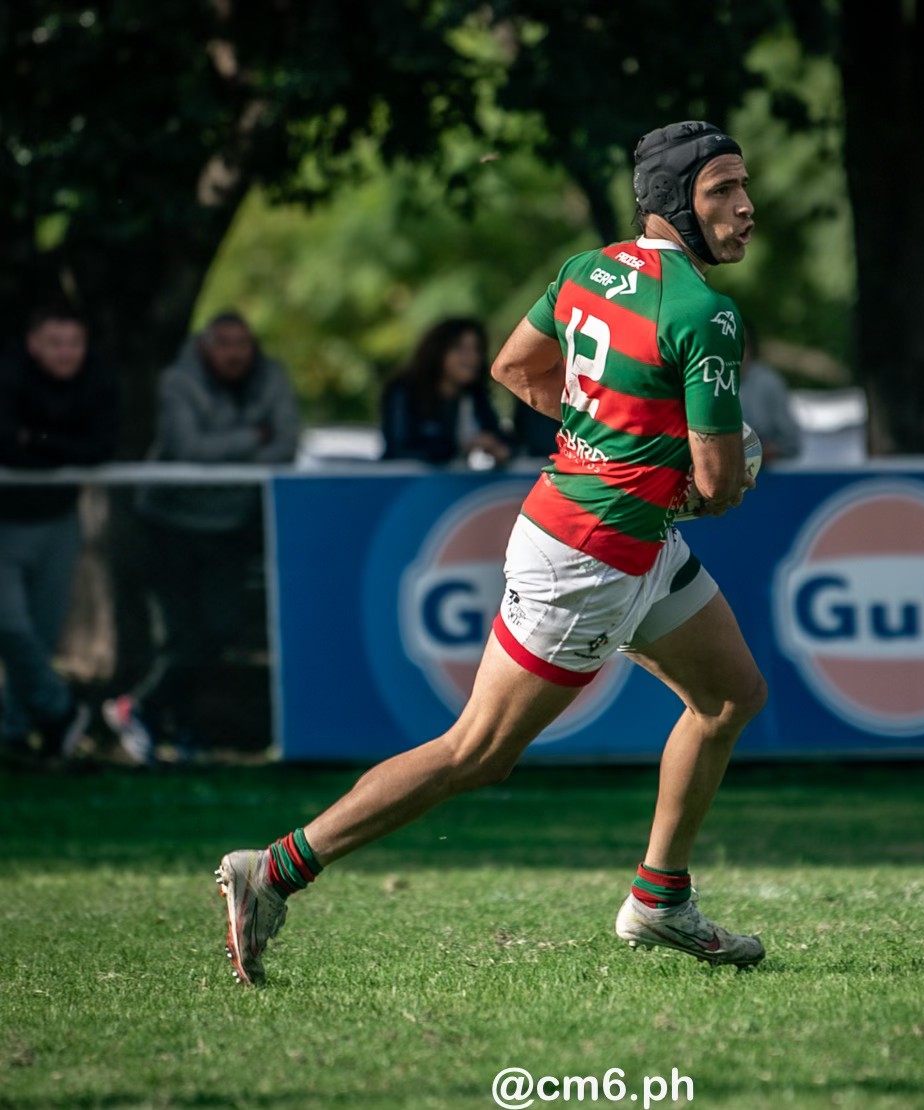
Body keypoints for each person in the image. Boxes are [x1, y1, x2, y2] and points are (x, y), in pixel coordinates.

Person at [215, 120, 767, 987]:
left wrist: (610, 443)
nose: (746, 208)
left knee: (731, 695)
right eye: (723, 191)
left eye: (743, 188)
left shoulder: (586, 271)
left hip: (626, 539)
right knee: (476, 753)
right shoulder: (706, 313)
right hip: (589, 555)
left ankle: (659, 899)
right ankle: (273, 870)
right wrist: (721, 469)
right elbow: (718, 482)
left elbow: (516, 368)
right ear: (673, 205)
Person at [103, 312, 299, 763]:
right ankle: (160, 719)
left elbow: (285, 445)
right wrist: (254, 436)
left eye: (242, 343)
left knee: (221, 629)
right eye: (224, 343)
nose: (234, 353)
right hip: (169, 525)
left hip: (230, 527)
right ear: (206, 347)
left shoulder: (271, 378)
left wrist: (225, 448)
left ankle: (149, 711)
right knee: (181, 635)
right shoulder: (179, 380)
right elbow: (189, 449)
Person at [0, 305, 118, 758]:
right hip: (5, 523)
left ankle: (16, 736)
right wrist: (60, 448)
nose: (66, 353)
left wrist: (38, 441)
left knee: (41, 635)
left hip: (58, 521)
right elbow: (7, 444)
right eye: (55, 342)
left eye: (74, 342)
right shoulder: (9, 374)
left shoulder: (98, 378)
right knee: (10, 626)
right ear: (33, 344)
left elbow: (100, 447)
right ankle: (59, 709)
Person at [380, 317, 512, 466]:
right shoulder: (404, 392)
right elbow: (401, 450)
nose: (471, 358)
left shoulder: (473, 398)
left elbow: (501, 439)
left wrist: (499, 449)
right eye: (460, 349)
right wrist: (461, 447)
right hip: (404, 486)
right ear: (438, 351)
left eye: (476, 349)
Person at [739, 327, 801, 463]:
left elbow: (791, 442)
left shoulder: (768, 383)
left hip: (765, 474)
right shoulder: (704, 382)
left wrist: (751, 454)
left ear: (748, 349)